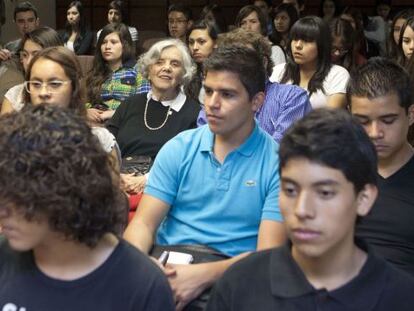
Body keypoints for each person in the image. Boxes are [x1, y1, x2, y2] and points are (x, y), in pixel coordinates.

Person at [123, 45, 286, 310]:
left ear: (257, 101)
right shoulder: (179, 148)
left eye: (227, 94)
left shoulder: (277, 163)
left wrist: (202, 275)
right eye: (208, 91)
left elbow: (268, 256)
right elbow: (143, 224)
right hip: (169, 262)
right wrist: (142, 265)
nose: (212, 103)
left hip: (236, 275)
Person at [206, 108, 414, 311]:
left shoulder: (401, 297)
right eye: (290, 190)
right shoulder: (240, 284)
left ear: (364, 198)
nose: (302, 210)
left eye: (324, 193)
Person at [0, 104, 175, 311]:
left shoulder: (142, 285)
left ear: (63, 192)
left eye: (17, 198)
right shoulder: (5, 256)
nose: (2, 212)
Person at [347, 57, 414, 277]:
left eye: (388, 120)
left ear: (410, 114)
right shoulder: (336, 172)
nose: (375, 133)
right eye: (363, 121)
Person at [107, 38, 199, 193]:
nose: (166, 68)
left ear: (183, 74)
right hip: (117, 186)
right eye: (159, 62)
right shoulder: (130, 104)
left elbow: (190, 163)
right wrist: (115, 176)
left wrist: (147, 180)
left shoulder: (194, 113)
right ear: (149, 70)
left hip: (163, 190)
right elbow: (106, 144)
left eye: (175, 64)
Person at [197, 28, 312, 143]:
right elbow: (206, 145)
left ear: (263, 62)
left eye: (243, 58)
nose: (234, 65)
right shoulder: (213, 101)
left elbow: (280, 151)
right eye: (229, 59)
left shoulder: (291, 97)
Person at [270, 16, 349, 109]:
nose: (298, 45)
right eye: (295, 39)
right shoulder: (278, 71)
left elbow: (330, 119)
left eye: (306, 40)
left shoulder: (338, 74)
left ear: (321, 45)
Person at [86, 23, 150, 123]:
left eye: (113, 42)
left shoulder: (138, 70)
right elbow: (83, 100)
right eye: (103, 42)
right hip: (96, 122)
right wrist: (87, 111)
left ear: (124, 45)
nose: (107, 46)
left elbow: (144, 104)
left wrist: (115, 113)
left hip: (126, 122)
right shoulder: (96, 71)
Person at [1, 27, 62, 115]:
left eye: (36, 55)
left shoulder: (66, 90)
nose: (28, 62)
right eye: (25, 55)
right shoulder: (14, 94)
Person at [187, 19, 218, 103]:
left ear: (215, 43)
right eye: (191, 42)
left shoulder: (227, 73)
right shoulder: (188, 75)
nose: (195, 47)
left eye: (201, 42)